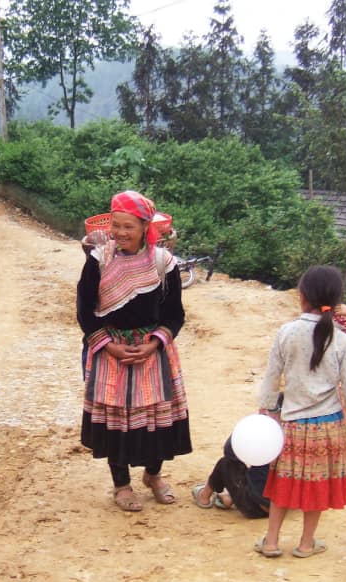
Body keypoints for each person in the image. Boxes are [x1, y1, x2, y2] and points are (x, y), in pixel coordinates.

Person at [77, 190, 192, 512]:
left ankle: (153, 475)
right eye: (116, 225)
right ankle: (122, 484)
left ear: (146, 227)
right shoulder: (99, 260)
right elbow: (85, 311)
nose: (121, 233)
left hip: (152, 353)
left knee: (158, 419)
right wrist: (109, 345)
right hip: (111, 350)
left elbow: (175, 314)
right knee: (116, 423)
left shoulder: (162, 263)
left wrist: (155, 342)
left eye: (129, 227)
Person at [255, 265, 346, 558]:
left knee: (282, 483)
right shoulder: (341, 339)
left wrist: (266, 409)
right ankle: (306, 544)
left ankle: (271, 541)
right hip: (328, 426)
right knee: (317, 486)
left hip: (291, 423)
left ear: (301, 296)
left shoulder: (286, 332)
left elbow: (271, 376)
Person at [191, 436, 271, 519]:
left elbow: (229, 449)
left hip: (255, 507)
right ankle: (228, 497)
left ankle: (204, 497)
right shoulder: (282, 440)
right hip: (279, 508)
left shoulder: (256, 433)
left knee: (226, 463)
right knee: (262, 470)